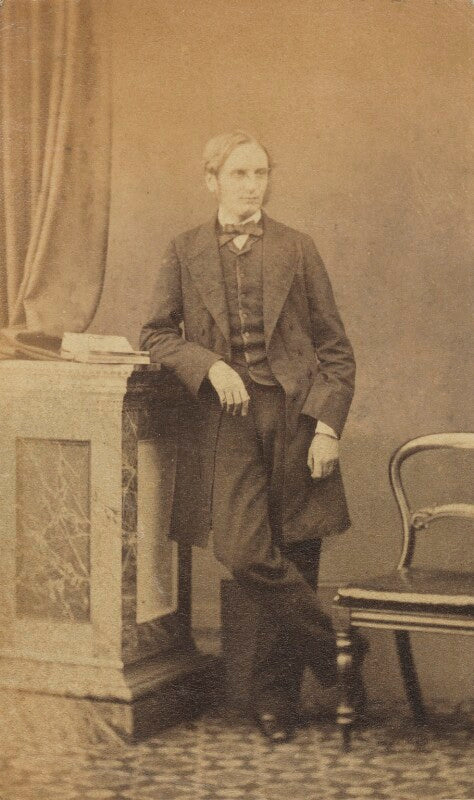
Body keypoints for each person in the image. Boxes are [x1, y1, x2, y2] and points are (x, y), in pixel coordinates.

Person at [140, 131, 366, 743]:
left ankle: (276, 701)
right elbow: (155, 334)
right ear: (211, 180)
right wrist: (209, 365)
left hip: (295, 417)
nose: (252, 185)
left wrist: (328, 427)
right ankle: (338, 647)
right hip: (227, 421)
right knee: (244, 552)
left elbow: (336, 351)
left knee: (295, 548)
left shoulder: (297, 247)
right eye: (239, 174)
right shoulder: (184, 249)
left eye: (260, 173)